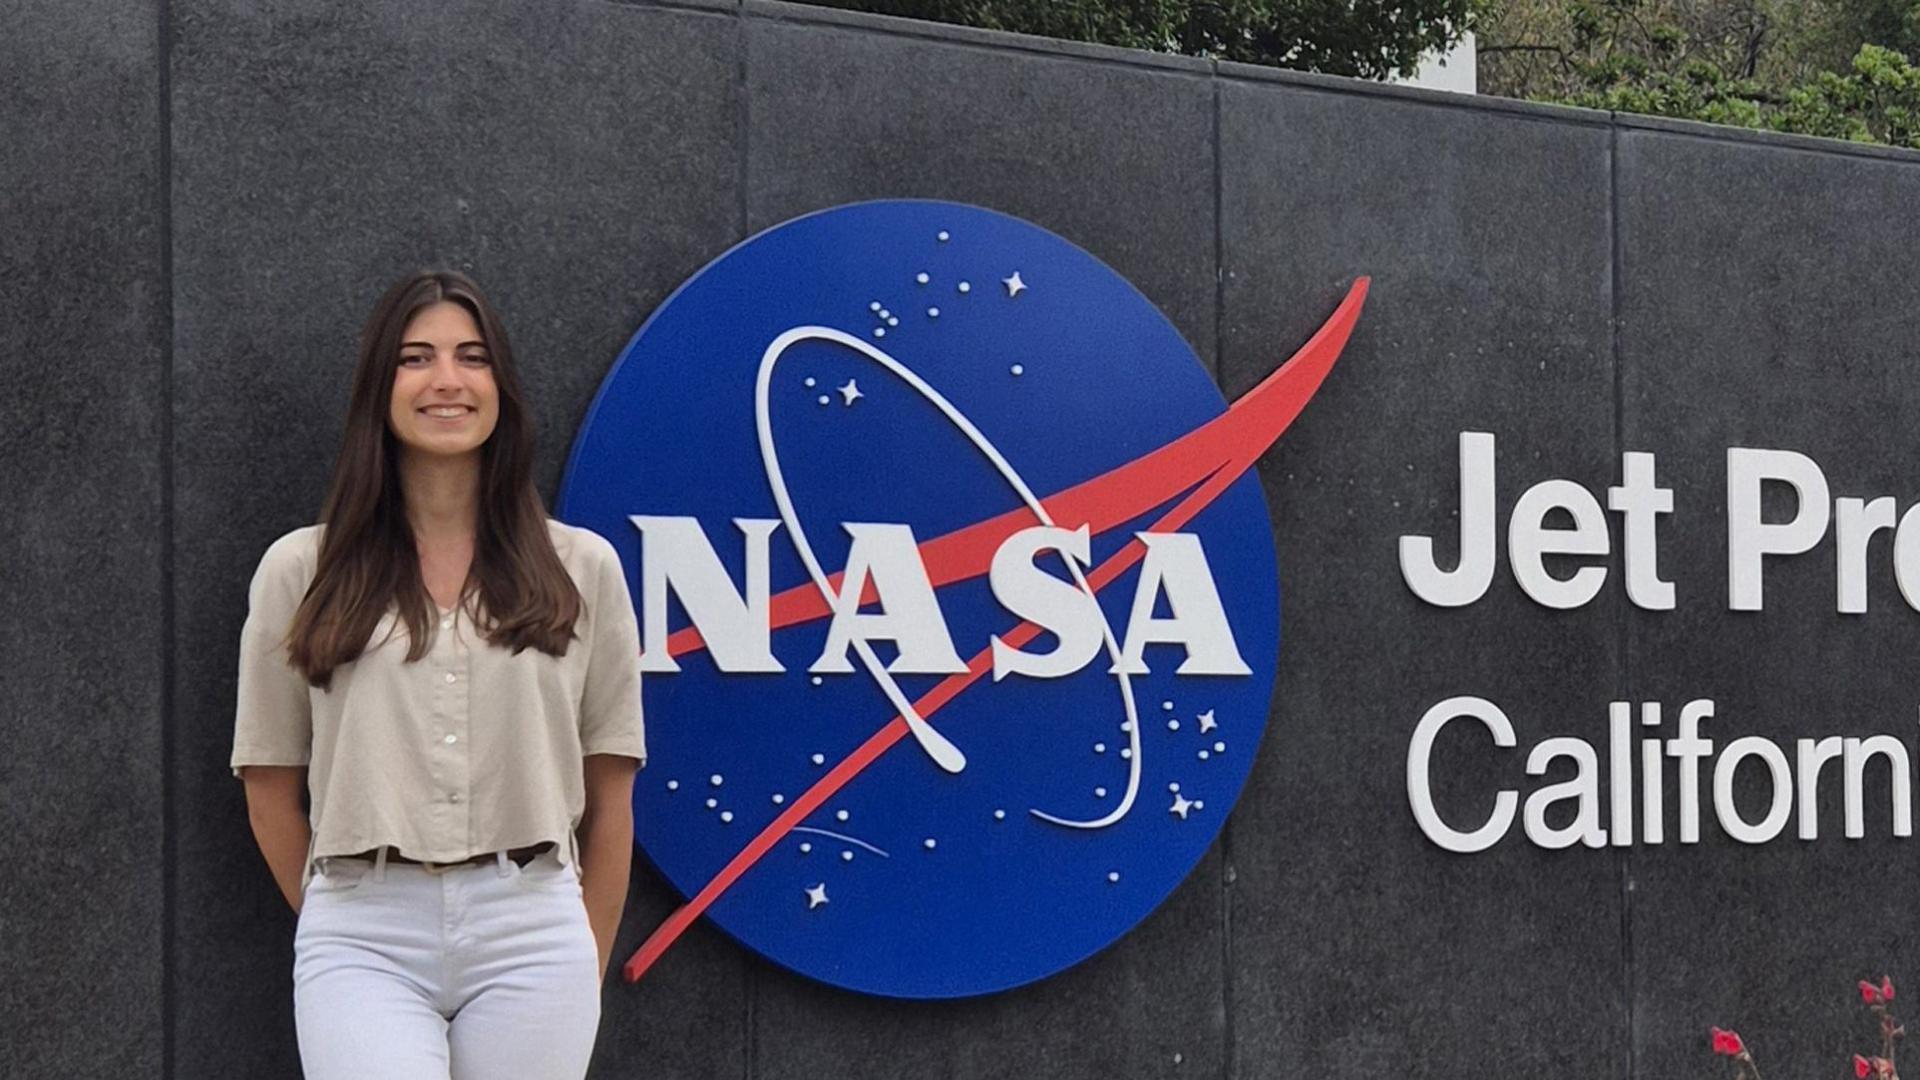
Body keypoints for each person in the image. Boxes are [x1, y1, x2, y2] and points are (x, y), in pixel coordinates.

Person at [230, 270, 645, 1080]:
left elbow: (612, 794)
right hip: (362, 930)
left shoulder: (581, 569)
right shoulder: (300, 570)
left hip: (533, 925)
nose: (446, 381)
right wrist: (336, 918)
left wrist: (581, 959)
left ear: (503, 388)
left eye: (472, 358)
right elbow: (269, 790)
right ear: (378, 387)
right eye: (415, 359)